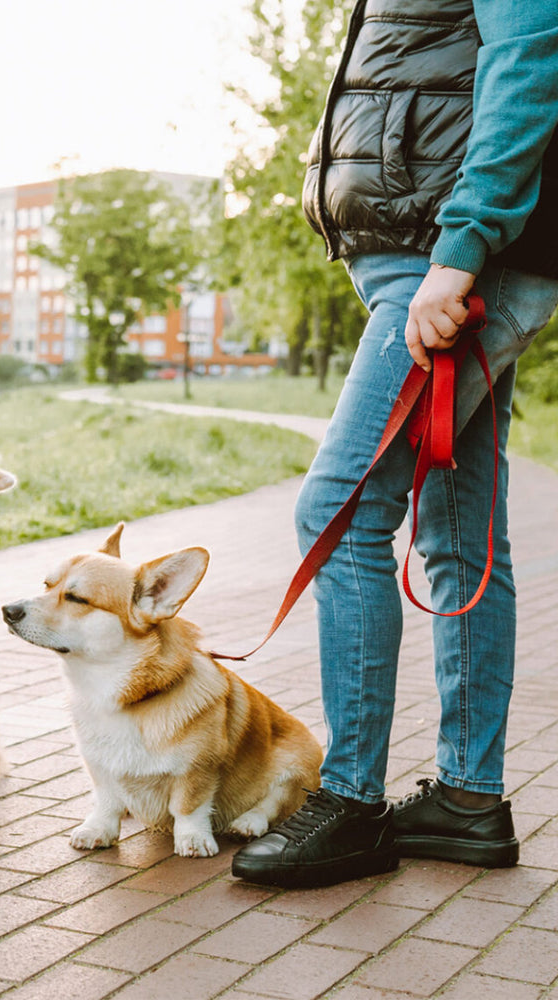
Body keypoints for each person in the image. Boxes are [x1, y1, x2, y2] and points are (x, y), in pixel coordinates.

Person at [232, 1, 558, 888]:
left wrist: (462, 248)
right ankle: (469, 797)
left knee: (337, 511)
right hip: (429, 252)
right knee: (460, 535)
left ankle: (351, 805)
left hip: (446, 258)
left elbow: (530, 58)